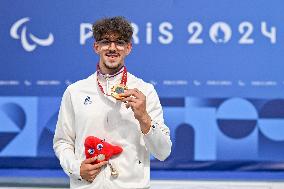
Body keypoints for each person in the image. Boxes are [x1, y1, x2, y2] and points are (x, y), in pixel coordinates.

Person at [53, 16, 172, 189]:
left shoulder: (144, 91)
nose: (112, 48)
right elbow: (63, 141)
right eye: (106, 42)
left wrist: (144, 118)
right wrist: (76, 169)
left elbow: (163, 152)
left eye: (120, 42)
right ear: (96, 47)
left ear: (128, 48)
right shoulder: (75, 91)